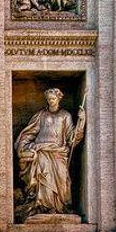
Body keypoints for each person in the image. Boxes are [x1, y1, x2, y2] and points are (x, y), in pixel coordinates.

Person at [15, 88, 85, 216]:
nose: (51, 101)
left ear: (58, 99)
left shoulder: (65, 115)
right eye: (49, 99)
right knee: (43, 177)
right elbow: (30, 132)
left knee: (62, 178)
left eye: (53, 99)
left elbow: (72, 137)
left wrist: (81, 121)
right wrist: (23, 145)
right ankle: (43, 206)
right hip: (42, 151)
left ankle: (59, 206)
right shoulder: (41, 115)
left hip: (59, 153)